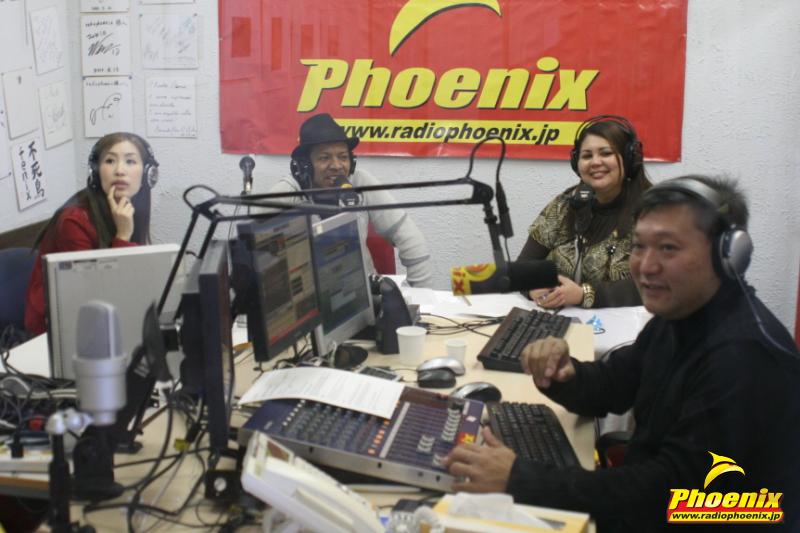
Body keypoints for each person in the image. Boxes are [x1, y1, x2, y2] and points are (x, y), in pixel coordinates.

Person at [444, 176, 800, 532]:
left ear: (727, 256)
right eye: (639, 246)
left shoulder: (742, 358)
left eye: (668, 248)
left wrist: (522, 479)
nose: (645, 266)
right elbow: (614, 384)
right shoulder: (680, 316)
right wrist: (565, 373)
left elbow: (671, 497)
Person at [267, 113, 433, 287]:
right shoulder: (287, 193)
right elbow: (258, 256)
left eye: (343, 157)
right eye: (324, 158)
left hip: (365, 293)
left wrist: (420, 295)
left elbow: (412, 240)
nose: (337, 166)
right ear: (305, 165)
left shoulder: (360, 181)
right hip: (309, 297)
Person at [25, 132, 159, 335]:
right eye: (110, 161)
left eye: (130, 161)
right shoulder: (73, 221)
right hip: (54, 329)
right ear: (95, 172)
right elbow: (92, 294)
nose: (120, 170)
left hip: (98, 317)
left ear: (148, 174)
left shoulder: (126, 210)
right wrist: (123, 236)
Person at [518, 115, 652, 308]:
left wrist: (584, 295)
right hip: (561, 317)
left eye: (606, 153)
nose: (595, 162)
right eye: (587, 156)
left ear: (629, 158)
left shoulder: (653, 212)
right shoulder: (565, 204)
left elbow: (660, 283)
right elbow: (524, 265)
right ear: (576, 163)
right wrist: (532, 288)